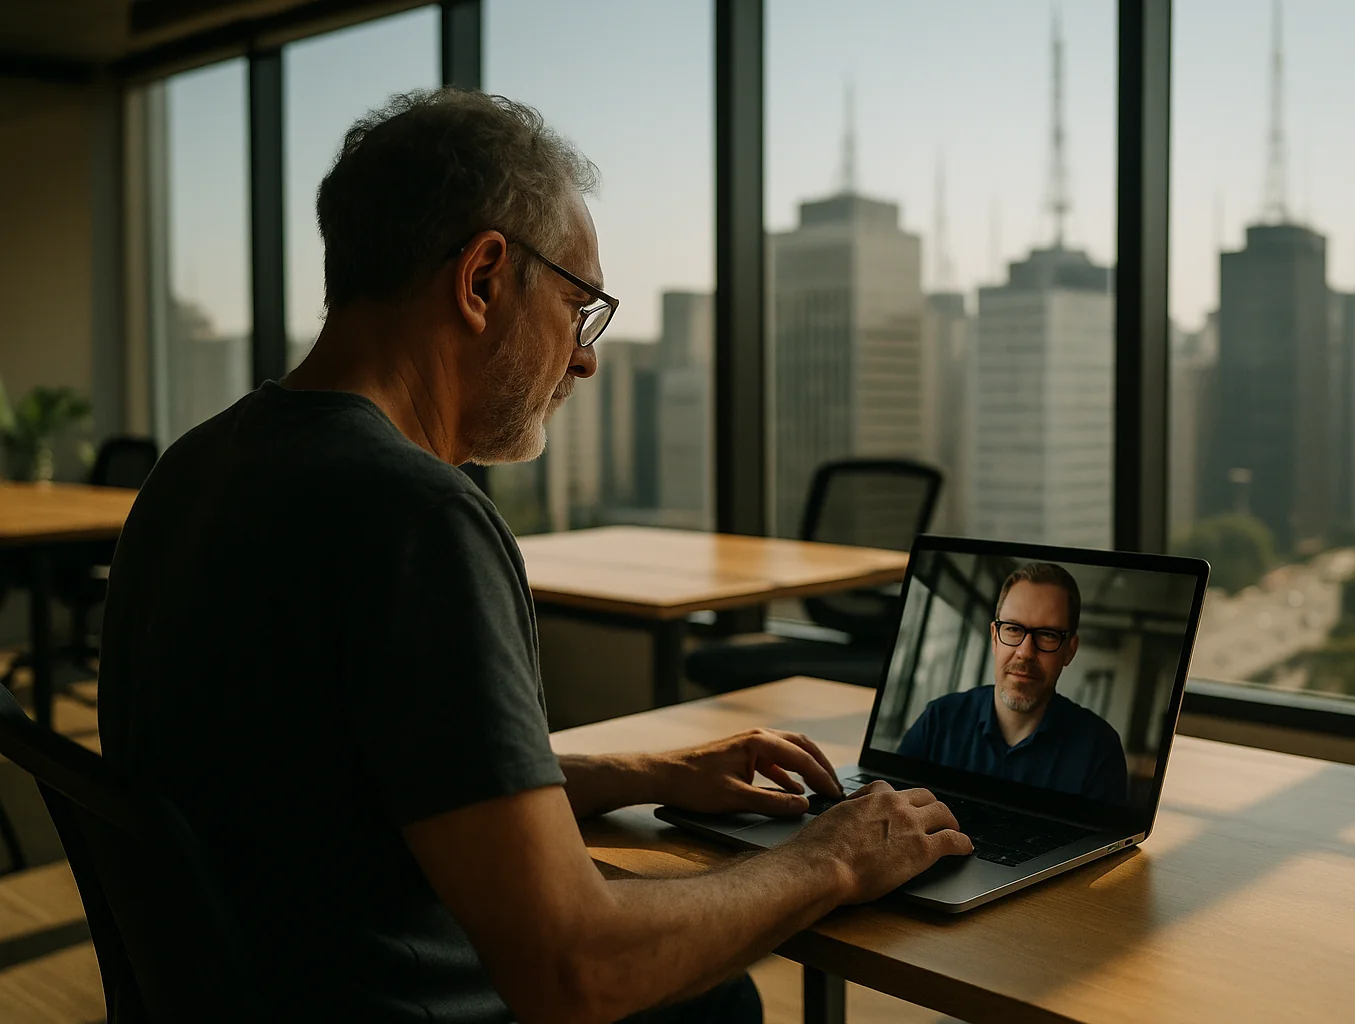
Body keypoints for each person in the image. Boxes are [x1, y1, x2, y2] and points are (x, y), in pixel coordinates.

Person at [95, 89, 972, 1024]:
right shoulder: (418, 517)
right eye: (577, 306)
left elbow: (352, 782)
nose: (586, 360)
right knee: (719, 1005)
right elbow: (573, 971)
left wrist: (652, 775)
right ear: (480, 280)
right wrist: (834, 855)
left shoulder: (194, 470)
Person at [897, 563, 1129, 804]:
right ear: (995, 638)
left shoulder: (1099, 750)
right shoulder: (938, 721)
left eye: (1048, 634)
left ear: (1070, 650)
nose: (1025, 652)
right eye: (1012, 629)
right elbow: (890, 813)